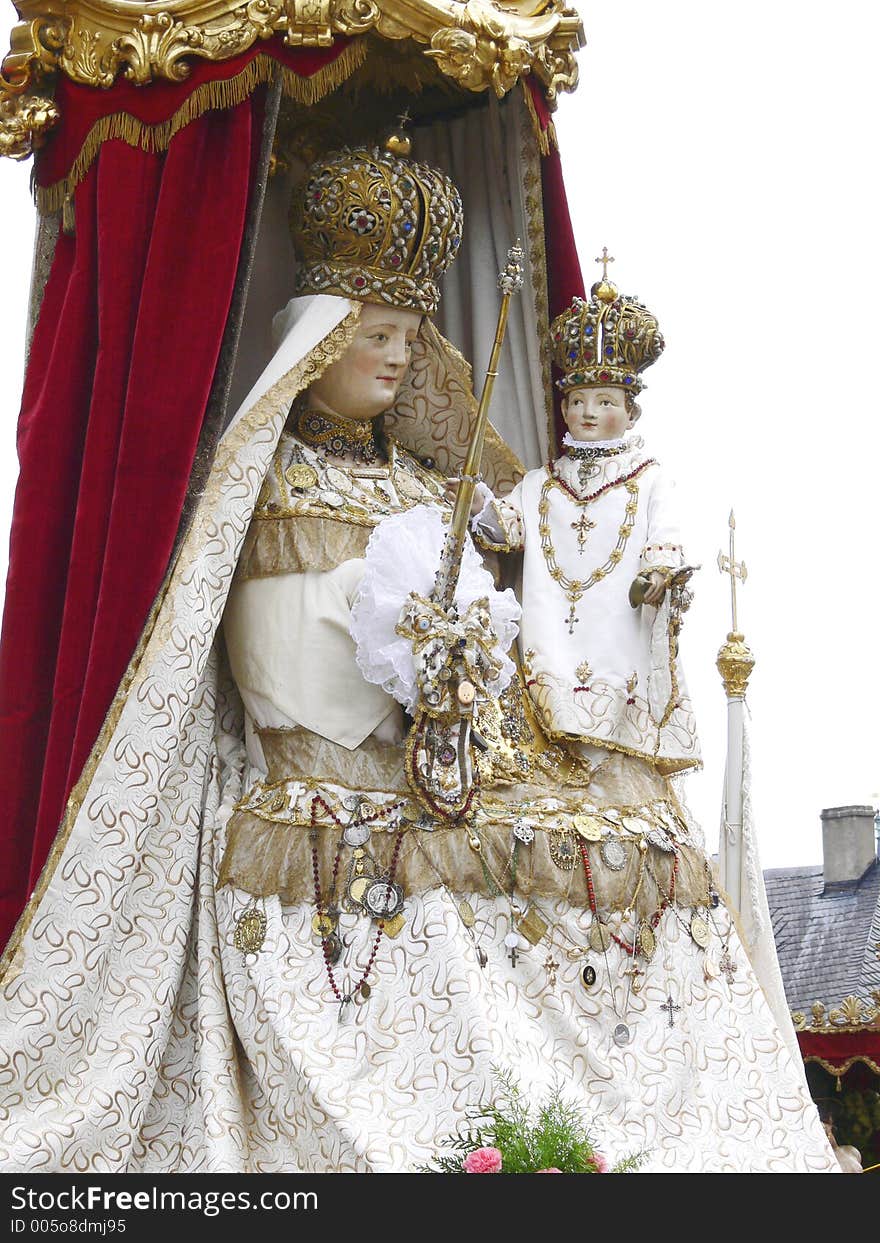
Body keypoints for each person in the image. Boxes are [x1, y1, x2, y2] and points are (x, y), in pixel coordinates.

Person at [0, 142, 836, 1173]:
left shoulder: (434, 489)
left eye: (412, 337)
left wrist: (473, 672)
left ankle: (642, 1138)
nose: (401, 357)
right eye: (379, 335)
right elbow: (248, 652)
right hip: (320, 784)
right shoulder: (259, 482)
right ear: (321, 339)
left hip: (435, 774)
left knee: (634, 849)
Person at [471, 277, 698, 778]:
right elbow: (505, 529)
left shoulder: (651, 479)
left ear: (631, 411)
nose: (587, 412)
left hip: (617, 622)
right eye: (576, 401)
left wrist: (657, 575)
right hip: (548, 628)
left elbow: (666, 541)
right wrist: (477, 503)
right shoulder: (539, 483)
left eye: (603, 401)